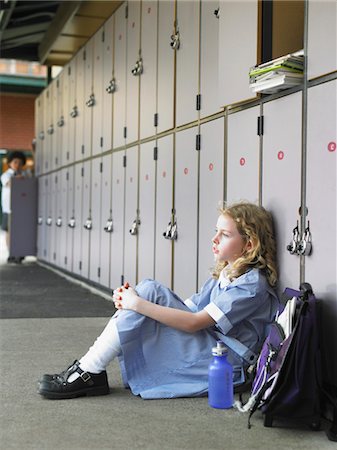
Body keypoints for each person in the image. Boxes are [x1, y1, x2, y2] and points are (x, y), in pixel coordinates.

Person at [38, 202, 279, 400]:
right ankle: (90, 368)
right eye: (216, 231)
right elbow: (189, 307)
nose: (215, 239)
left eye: (225, 234)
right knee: (148, 290)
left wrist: (137, 304)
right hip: (213, 346)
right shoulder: (228, 272)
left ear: (249, 244)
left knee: (148, 293)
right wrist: (132, 301)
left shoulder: (251, 286)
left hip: (228, 363)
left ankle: (89, 370)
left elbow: (195, 322)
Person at [0, 151, 26, 263]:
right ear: (10, 163)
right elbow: (9, 184)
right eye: (15, 162)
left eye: (20, 163)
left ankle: (19, 252)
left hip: (20, 208)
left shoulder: (24, 176)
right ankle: (11, 253)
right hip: (8, 208)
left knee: (19, 231)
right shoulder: (6, 175)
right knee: (9, 232)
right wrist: (18, 179)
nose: (17, 165)